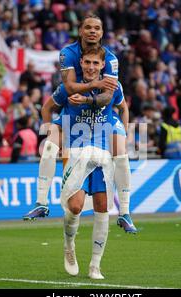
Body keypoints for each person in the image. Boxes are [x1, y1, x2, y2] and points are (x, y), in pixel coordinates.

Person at [23, 14, 136, 234]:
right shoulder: (68, 53)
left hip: (103, 116)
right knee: (48, 147)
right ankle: (41, 203)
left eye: (97, 28)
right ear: (81, 30)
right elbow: (69, 87)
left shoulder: (111, 59)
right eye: (88, 27)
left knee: (121, 153)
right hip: (72, 116)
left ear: (102, 33)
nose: (93, 31)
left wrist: (89, 99)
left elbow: (107, 97)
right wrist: (48, 131)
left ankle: (125, 212)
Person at [55, 46, 118, 279]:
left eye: (96, 63)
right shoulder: (68, 89)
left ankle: (95, 265)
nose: (91, 67)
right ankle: (69, 246)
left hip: (102, 155)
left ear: (103, 65)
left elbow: (119, 105)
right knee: (75, 207)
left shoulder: (113, 86)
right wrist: (54, 136)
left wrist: (123, 132)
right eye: (87, 62)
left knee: (103, 207)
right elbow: (49, 108)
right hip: (76, 153)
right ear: (81, 62)